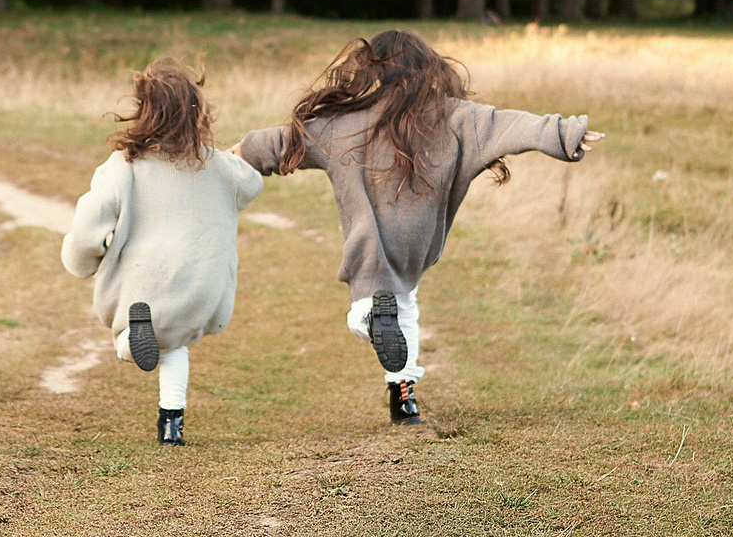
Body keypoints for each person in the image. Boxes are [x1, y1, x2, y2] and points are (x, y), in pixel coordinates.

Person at [234, 30, 601, 424]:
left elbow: (281, 142)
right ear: (430, 69)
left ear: (372, 71)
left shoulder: (343, 125)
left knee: (367, 308)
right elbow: (510, 125)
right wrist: (565, 133)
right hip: (419, 244)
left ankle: (372, 319)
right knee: (404, 304)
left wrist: (238, 154)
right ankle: (404, 398)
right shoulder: (459, 117)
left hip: (372, 245)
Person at [62, 59, 266, 446]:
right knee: (174, 343)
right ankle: (171, 426)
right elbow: (251, 184)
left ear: (144, 111)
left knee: (140, 342)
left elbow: (89, 223)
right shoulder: (217, 164)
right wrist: (237, 155)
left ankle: (130, 342)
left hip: (144, 282)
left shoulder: (123, 166)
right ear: (196, 111)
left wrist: (81, 258)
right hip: (200, 288)